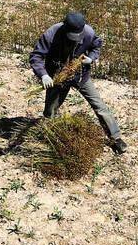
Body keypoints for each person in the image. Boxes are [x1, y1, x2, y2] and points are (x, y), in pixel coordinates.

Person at [30, 12, 127, 154]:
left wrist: (91, 58)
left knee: (99, 106)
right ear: (64, 28)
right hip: (58, 77)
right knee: (50, 110)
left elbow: (96, 46)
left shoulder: (88, 32)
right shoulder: (51, 34)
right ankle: (50, 136)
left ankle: (116, 138)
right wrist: (43, 75)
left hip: (81, 75)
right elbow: (36, 56)